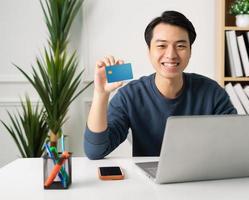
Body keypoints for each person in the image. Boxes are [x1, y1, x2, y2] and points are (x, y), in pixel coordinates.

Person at [84, 10, 236, 160]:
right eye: (162, 46)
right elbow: (95, 151)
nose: (171, 55)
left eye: (181, 46)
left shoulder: (212, 92)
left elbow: (235, 143)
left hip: (202, 177)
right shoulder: (130, 96)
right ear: (149, 51)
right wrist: (101, 94)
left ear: (190, 51)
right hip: (149, 182)